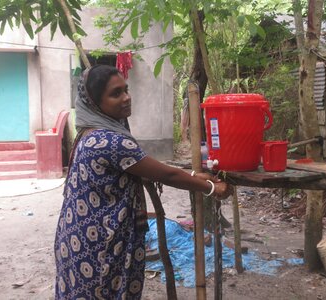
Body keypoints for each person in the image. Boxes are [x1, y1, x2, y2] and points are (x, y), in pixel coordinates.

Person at [54, 64, 231, 300]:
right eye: (116, 94)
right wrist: (211, 187)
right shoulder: (110, 141)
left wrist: (192, 177)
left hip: (77, 236)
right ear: (96, 102)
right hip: (100, 245)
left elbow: (137, 169)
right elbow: (166, 175)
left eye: (126, 90)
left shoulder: (88, 134)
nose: (126, 98)